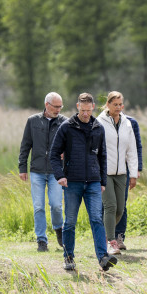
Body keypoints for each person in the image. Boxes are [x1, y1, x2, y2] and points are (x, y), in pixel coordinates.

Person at [49, 93, 117, 272]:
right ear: (78, 106)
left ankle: (103, 257)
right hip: (72, 182)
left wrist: (102, 180)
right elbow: (54, 154)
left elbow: (103, 156)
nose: (85, 113)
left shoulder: (98, 128)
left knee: (96, 219)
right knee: (70, 222)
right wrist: (60, 176)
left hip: (94, 182)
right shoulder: (66, 127)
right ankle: (68, 257)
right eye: (82, 110)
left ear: (93, 107)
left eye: (88, 110)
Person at [18, 92, 66, 252]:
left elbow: (71, 144)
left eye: (60, 107)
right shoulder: (32, 121)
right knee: (38, 206)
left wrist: (67, 153)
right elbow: (25, 145)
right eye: (56, 106)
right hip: (37, 171)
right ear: (47, 105)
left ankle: (59, 229)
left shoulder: (64, 122)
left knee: (56, 205)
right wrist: (22, 168)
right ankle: (41, 241)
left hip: (56, 171)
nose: (58, 110)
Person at [97, 91, 140, 255]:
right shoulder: (99, 123)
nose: (118, 107)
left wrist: (133, 173)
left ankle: (103, 235)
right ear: (107, 105)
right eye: (115, 104)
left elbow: (132, 150)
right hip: (104, 172)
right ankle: (110, 241)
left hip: (122, 172)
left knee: (120, 209)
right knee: (110, 206)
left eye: (120, 104)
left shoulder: (127, 123)